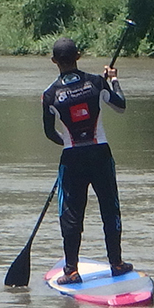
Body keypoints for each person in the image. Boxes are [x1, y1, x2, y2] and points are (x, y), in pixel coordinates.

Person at [41, 37, 132, 284]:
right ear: (78, 56)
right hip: (100, 154)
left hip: (72, 158)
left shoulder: (50, 95)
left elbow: (50, 133)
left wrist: (69, 144)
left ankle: (71, 271)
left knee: (71, 214)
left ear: (54, 61)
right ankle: (117, 263)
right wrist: (113, 79)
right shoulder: (95, 83)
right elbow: (121, 105)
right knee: (109, 208)